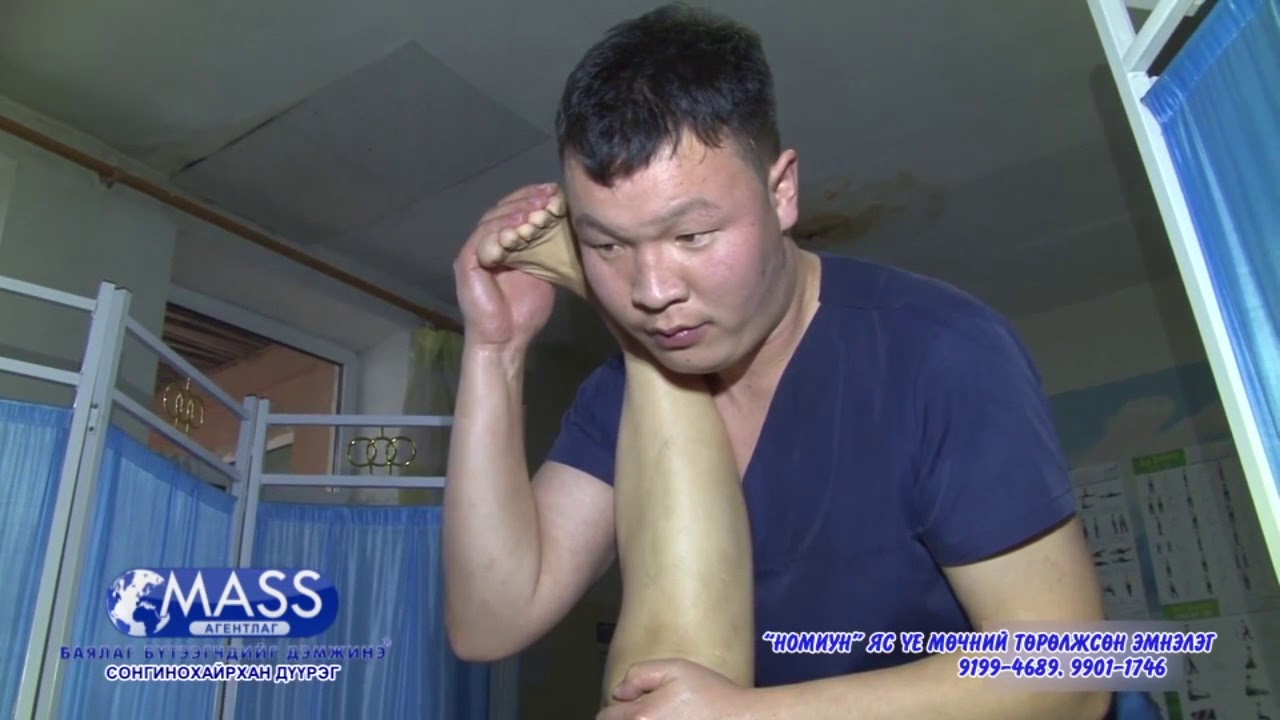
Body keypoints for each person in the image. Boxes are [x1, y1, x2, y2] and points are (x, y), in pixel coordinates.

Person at [444, 4, 1160, 719]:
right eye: (606, 246)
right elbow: (489, 622)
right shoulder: (618, 394)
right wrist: (495, 348)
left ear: (782, 192)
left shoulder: (939, 352)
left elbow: (1072, 677)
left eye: (692, 236)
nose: (651, 291)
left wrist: (749, 715)